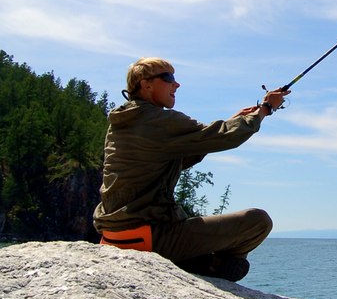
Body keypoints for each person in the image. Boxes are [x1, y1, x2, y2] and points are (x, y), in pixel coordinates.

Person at [93, 57, 288, 282]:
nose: (176, 84)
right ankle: (214, 265)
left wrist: (234, 121)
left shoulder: (123, 122)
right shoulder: (158, 120)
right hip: (150, 236)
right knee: (258, 221)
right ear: (146, 84)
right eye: (169, 78)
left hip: (114, 236)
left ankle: (199, 261)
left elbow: (183, 156)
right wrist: (264, 109)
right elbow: (225, 137)